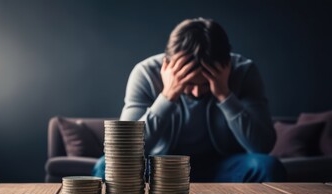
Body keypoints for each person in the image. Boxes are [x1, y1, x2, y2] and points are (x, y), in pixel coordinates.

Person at [93, 18, 286, 182]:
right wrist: (168, 96)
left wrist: (224, 95)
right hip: (161, 167)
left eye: (205, 84)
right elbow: (124, 149)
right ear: (168, 65)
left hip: (222, 166)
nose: (196, 92)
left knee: (268, 167)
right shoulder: (145, 72)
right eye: (189, 83)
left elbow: (261, 146)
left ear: (226, 65)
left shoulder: (244, 72)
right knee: (106, 165)